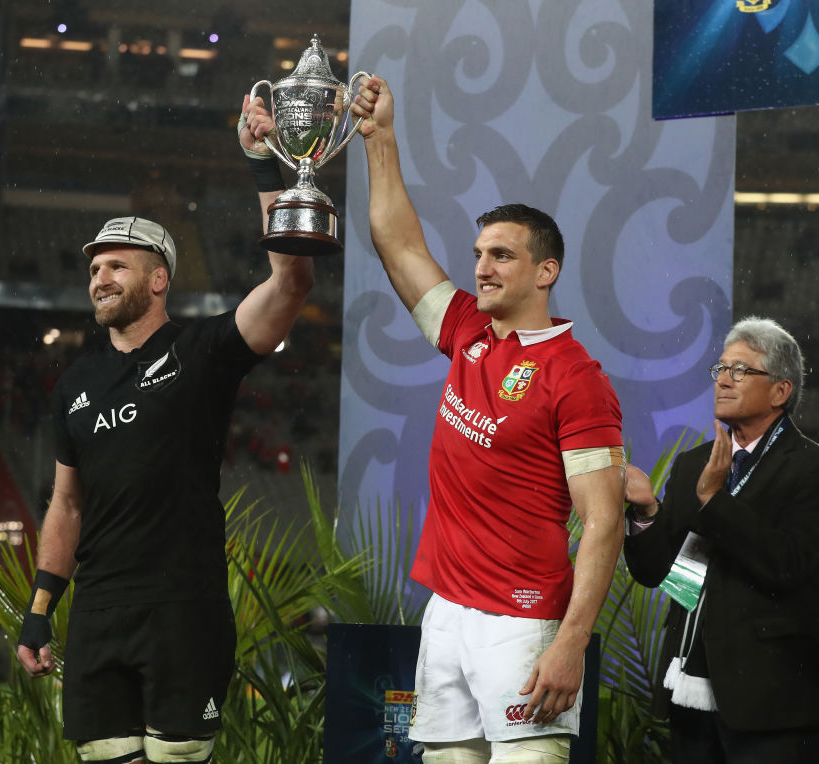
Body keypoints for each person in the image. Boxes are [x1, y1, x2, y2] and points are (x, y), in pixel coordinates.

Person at [15, 95, 313, 764]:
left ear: (158, 279)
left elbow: (292, 280)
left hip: (183, 607)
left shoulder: (204, 351)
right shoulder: (75, 386)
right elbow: (66, 504)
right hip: (97, 614)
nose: (99, 279)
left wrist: (261, 164)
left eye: (116, 266)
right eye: (94, 269)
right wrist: (41, 609)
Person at [349, 77, 626, 763]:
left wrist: (570, 642)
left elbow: (604, 521)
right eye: (478, 255)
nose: (481, 268)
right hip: (447, 614)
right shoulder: (467, 332)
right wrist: (381, 137)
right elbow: (398, 243)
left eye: (501, 255)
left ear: (545, 271)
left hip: (524, 622)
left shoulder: (578, 378)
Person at [624, 317, 819, 764]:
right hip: (690, 693)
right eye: (720, 369)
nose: (723, 380)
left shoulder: (815, 469)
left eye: (740, 371)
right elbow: (656, 573)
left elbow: (788, 566)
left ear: (781, 391)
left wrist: (714, 499)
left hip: (771, 705)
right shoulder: (692, 465)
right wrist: (647, 511)